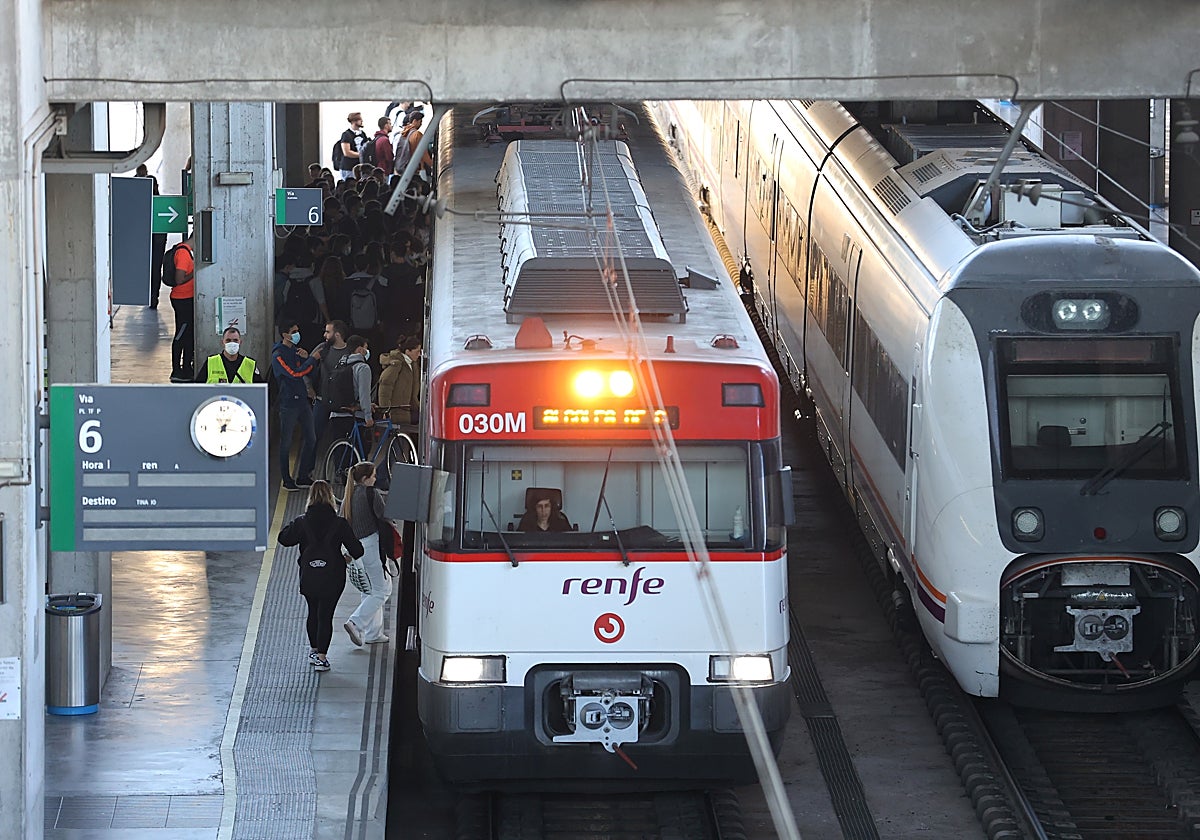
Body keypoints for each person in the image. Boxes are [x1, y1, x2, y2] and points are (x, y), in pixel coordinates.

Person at [277, 480, 364, 672]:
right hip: (333, 576)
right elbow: (358, 550)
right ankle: (322, 658)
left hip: (309, 575)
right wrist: (346, 557)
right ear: (331, 497)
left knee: (313, 612)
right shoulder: (339, 524)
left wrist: (295, 524)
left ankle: (314, 650)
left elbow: (283, 539)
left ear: (310, 498)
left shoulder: (302, 522)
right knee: (326, 615)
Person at [340, 462, 392, 646]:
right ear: (365, 479)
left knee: (369, 589)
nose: (376, 479)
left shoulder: (348, 497)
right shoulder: (371, 493)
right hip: (371, 545)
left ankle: (373, 633)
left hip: (356, 547)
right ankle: (356, 622)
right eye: (374, 476)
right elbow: (385, 516)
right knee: (382, 590)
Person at [270, 321, 318, 491]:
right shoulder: (278, 355)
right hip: (288, 403)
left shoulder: (296, 351)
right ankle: (286, 479)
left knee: (311, 438)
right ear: (285, 335)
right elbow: (294, 373)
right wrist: (312, 359)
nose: (297, 334)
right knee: (286, 443)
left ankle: (303, 476)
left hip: (302, 401)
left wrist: (306, 359)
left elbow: (308, 372)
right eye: (294, 331)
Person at [310, 319, 351, 449]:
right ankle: (307, 462)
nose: (325, 335)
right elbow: (307, 367)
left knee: (340, 440)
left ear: (337, 335)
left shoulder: (350, 352)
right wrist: (309, 388)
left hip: (342, 403)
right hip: (321, 400)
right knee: (312, 438)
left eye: (328, 332)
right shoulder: (322, 348)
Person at [327, 334, 374, 444]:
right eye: (366, 348)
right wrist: (368, 416)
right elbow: (364, 394)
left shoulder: (340, 364)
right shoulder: (362, 367)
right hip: (354, 416)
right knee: (361, 450)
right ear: (360, 349)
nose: (367, 352)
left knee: (339, 449)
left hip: (336, 414)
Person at [137, 164, 168, 310]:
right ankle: (153, 296)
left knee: (146, 267)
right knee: (155, 268)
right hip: (158, 238)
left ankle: (149, 295)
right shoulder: (161, 203)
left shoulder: (141, 202)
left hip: (146, 239)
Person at [168, 230, 196, 382]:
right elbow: (179, 279)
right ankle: (177, 371)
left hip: (187, 298)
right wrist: (195, 271)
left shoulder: (186, 251)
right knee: (181, 334)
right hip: (182, 299)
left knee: (188, 335)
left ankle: (186, 368)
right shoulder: (184, 253)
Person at [377, 336, 421, 425]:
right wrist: (385, 410)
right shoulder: (396, 364)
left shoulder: (413, 365)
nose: (419, 354)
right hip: (395, 412)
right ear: (408, 351)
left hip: (406, 410)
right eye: (417, 351)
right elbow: (385, 387)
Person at [196, 326, 262, 383]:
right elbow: (197, 388)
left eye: (235, 340)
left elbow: (261, 390)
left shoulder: (250, 364)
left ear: (240, 342)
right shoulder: (211, 362)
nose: (232, 343)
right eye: (228, 340)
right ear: (222, 342)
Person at [339, 112, 368, 180]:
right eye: (360, 119)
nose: (362, 121)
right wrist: (361, 155)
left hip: (359, 168)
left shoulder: (362, 134)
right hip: (348, 168)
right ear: (354, 121)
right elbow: (347, 152)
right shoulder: (346, 134)